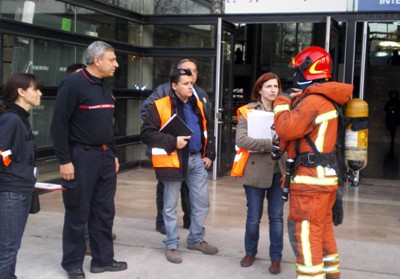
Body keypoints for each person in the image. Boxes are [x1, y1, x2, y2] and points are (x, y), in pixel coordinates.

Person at [273, 46, 353, 279]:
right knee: (323, 232)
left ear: (308, 71)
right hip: (325, 181)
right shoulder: (329, 99)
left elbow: (286, 127)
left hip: (309, 184)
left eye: (298, 70)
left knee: (306, 238)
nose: (295, 75)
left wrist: (282, 100)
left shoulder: (314, 101)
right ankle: (331, 275)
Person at [50, 41, 127, 279]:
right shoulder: (73, 84)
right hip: (80, 157)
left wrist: (112, 153)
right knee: (77, 212)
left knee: (104, 211)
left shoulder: (104, 85)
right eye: (112, 59)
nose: (116, 64)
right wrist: (64, 161)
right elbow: (58, 126)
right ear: (97, 60)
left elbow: (107, 124)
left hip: (104, 156)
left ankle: (102, 260)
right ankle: (73, 264)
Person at [140, 68, 217, 264]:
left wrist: (209, 154)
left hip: (196, 160)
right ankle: (172, 244)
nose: (191, 86)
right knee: (170, 206)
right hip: (172, 161)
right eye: (185, 83)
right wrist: (173, 141)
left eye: (191, 83)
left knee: (202, 203)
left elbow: (207, 130)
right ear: (174, 86)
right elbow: (146, 134)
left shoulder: (198, 104)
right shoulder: (159, 106)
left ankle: (196, 239)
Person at [234, 72, 285, 274]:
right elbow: (242, 140)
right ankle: (250, 252)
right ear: (259, 89)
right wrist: (268, 143)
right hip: (254, 170)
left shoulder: (285, 111)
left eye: (276, 86)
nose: (273, 90)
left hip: (279, 170)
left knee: (277, 217)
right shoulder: (247, 111)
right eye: (269, 86)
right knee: (253, 217)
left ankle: (276, 258)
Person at [0, 73, 43, 279]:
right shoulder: (11, 120)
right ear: (21, 92)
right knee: (7, 249)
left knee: (10, 247)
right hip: (12, 193)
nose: (40, 93)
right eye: (35, 89)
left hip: (20, 190)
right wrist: (16, 173)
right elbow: (2, 154)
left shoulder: (20, 118)